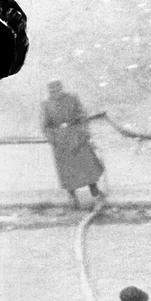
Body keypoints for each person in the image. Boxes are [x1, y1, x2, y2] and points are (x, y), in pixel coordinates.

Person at [41, 80, 105, 208]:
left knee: (87, 164)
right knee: (66, 171)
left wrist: (83, 132)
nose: (56, 92)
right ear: (49, 91)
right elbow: (45, 126)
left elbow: (82, 115)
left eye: (58, 89)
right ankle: (72, 197)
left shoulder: (72, 98)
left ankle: (95, 190)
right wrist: (54, 139)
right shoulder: (46, 104)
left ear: (62, 88)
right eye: (52, 90)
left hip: (76, 135)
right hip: (60, 140)